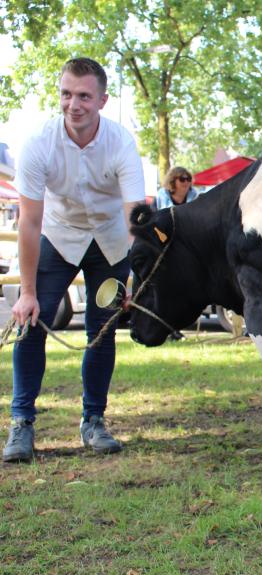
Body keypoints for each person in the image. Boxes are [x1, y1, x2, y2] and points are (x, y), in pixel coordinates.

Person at [4, 57, 145, 462]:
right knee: (32, 320)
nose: (74, 104)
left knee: (101, 333)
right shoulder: (38, 144)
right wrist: (26, 292)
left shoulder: (121, 143)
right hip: (59, 236)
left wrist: (133, 279)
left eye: (84, 96)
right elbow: (30, 221)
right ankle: (21, 425)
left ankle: (93, 422)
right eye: (66, 94)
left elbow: (133, 213)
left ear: (102, 99)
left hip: (111, 243)